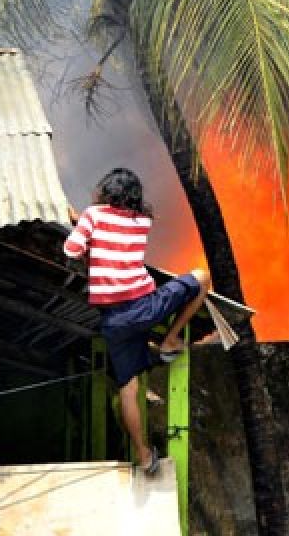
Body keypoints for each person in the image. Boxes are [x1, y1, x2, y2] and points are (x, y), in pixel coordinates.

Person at [63, 167, 210, 475]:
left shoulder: (92, 215)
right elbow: (115, 244)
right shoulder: (142, 221)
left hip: (114, 321)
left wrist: (80, 222)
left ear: (105, 190)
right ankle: (170, 338)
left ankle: (144, 456)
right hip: (145, 307)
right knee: (201, 277)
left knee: (128, 391)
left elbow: (71, 250)